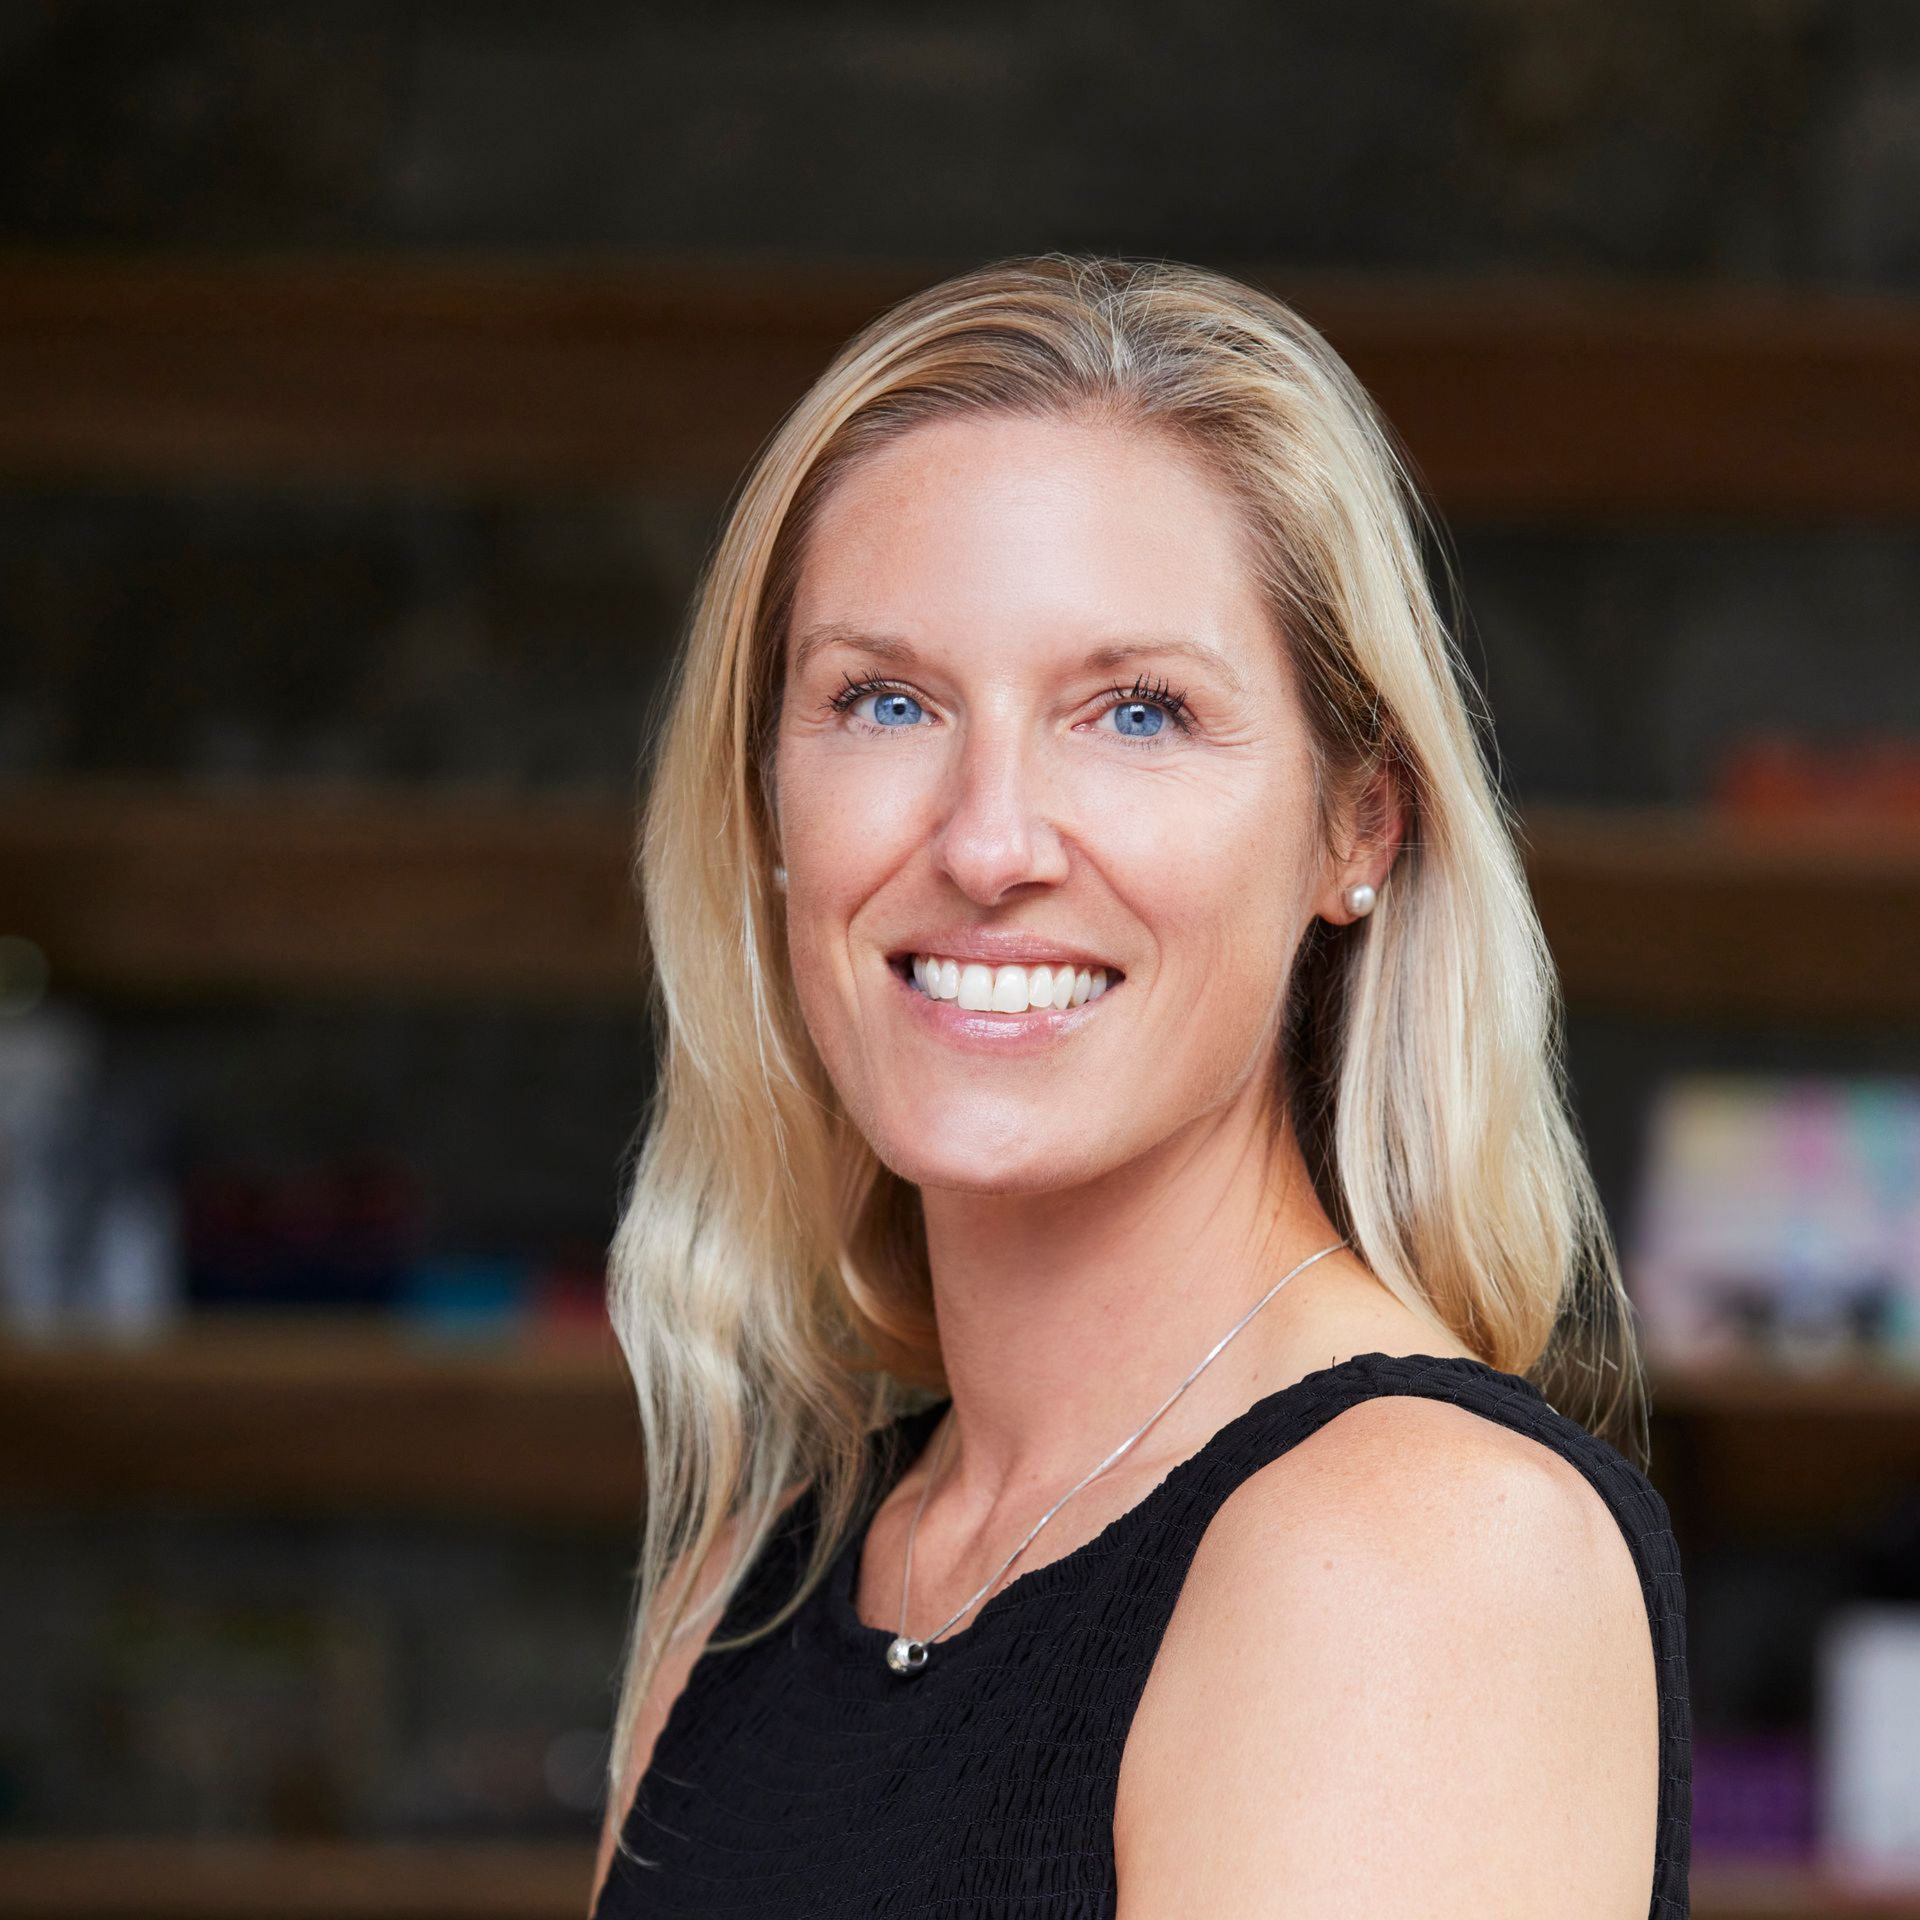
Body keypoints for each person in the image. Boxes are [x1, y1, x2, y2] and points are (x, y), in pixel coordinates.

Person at [587, 252, 1690, 1918]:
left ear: (1357, 828)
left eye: (1139, 713)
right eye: (885, 700)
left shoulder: (1413, 1561)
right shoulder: (758, 1592)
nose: (987, 840)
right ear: (765, 809)